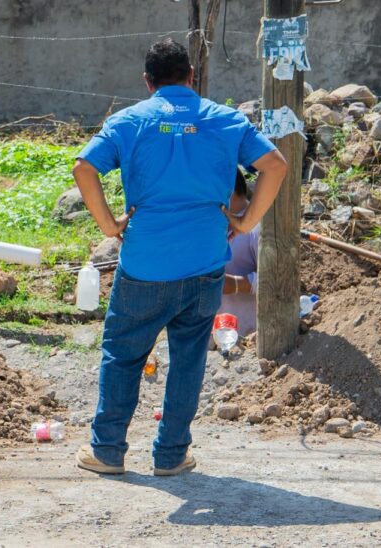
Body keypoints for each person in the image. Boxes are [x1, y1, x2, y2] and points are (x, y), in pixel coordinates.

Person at [72, 39, 287, 476]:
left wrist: (110, 227)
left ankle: (108, 452)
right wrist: (246, 223)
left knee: (123, 354)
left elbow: (83, 168)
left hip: (144, 266)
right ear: (192, 76)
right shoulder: (224, 119)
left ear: (147, 82)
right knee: (188, 358)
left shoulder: (129, 120)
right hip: (206, 263)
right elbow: (276, 165)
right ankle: (171, 456)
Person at [220, 169, 259, 337]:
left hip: (250, 335)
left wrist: (235, 284)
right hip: (218, 336)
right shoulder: (211, 223)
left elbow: (280, 281)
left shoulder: (258, 225)